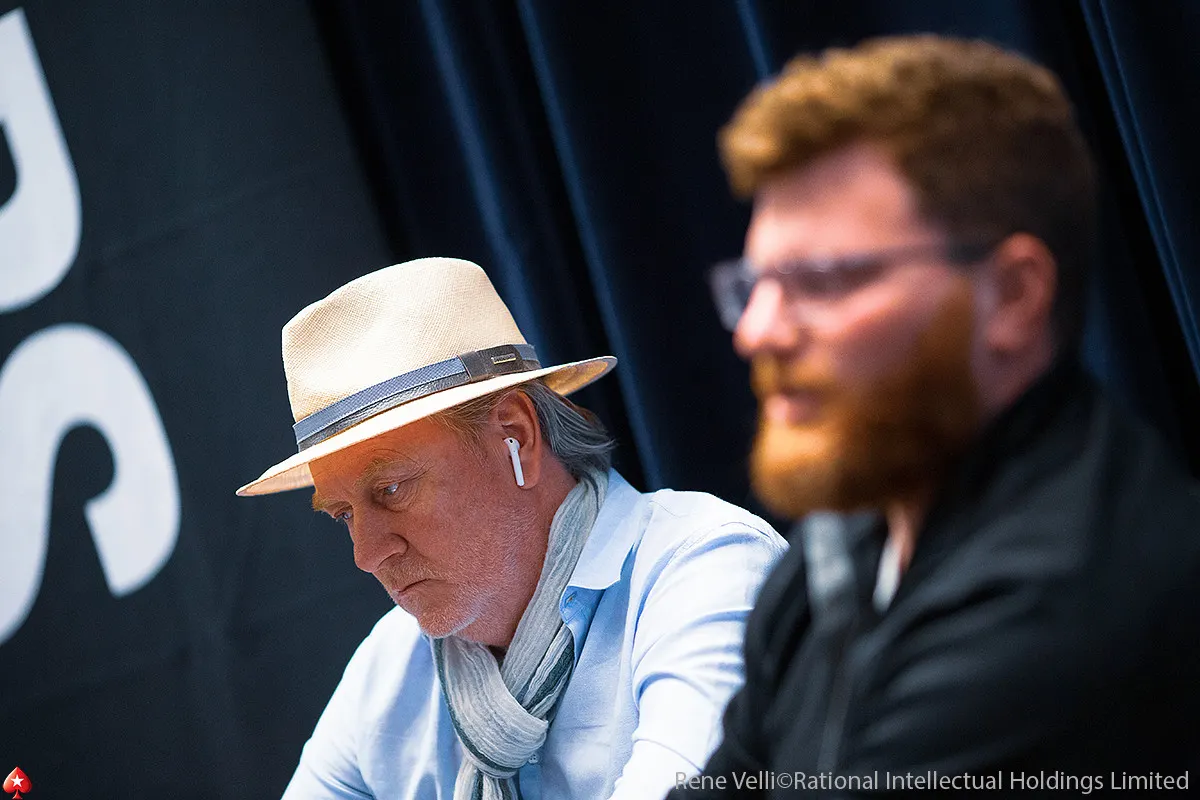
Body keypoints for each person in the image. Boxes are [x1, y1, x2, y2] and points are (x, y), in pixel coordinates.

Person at [674, 35, 1200, 797]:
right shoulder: (840, 544)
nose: (757, 332)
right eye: (756, 283)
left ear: (1013, 295)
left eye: (822, 278)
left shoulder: (1058, 604)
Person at [236, 256, 786, 800]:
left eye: (392, 489)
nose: (366, 554)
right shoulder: (388, 666)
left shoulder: (707, 565)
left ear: (516, 435)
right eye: (344, 514)